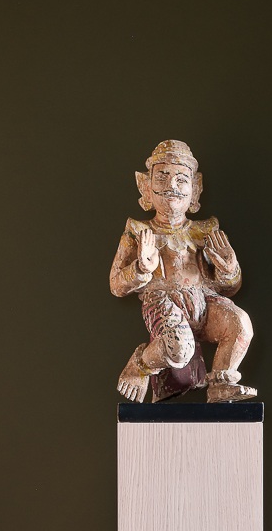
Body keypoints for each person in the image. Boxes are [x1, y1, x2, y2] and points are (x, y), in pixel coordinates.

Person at [109, 138, 257, 403]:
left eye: (181, 179)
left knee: (240, 324)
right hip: (161, 301)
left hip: (203, 302)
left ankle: (221, 383)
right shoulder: (139, 232)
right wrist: (141, 269)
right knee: (178, 349)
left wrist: (229, 268)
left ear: (195, 189)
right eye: (162, 178)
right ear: (146, 186)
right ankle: (140, 365)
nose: (172, 187)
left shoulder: (204, 232)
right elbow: (116, 285)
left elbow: (229, 288)